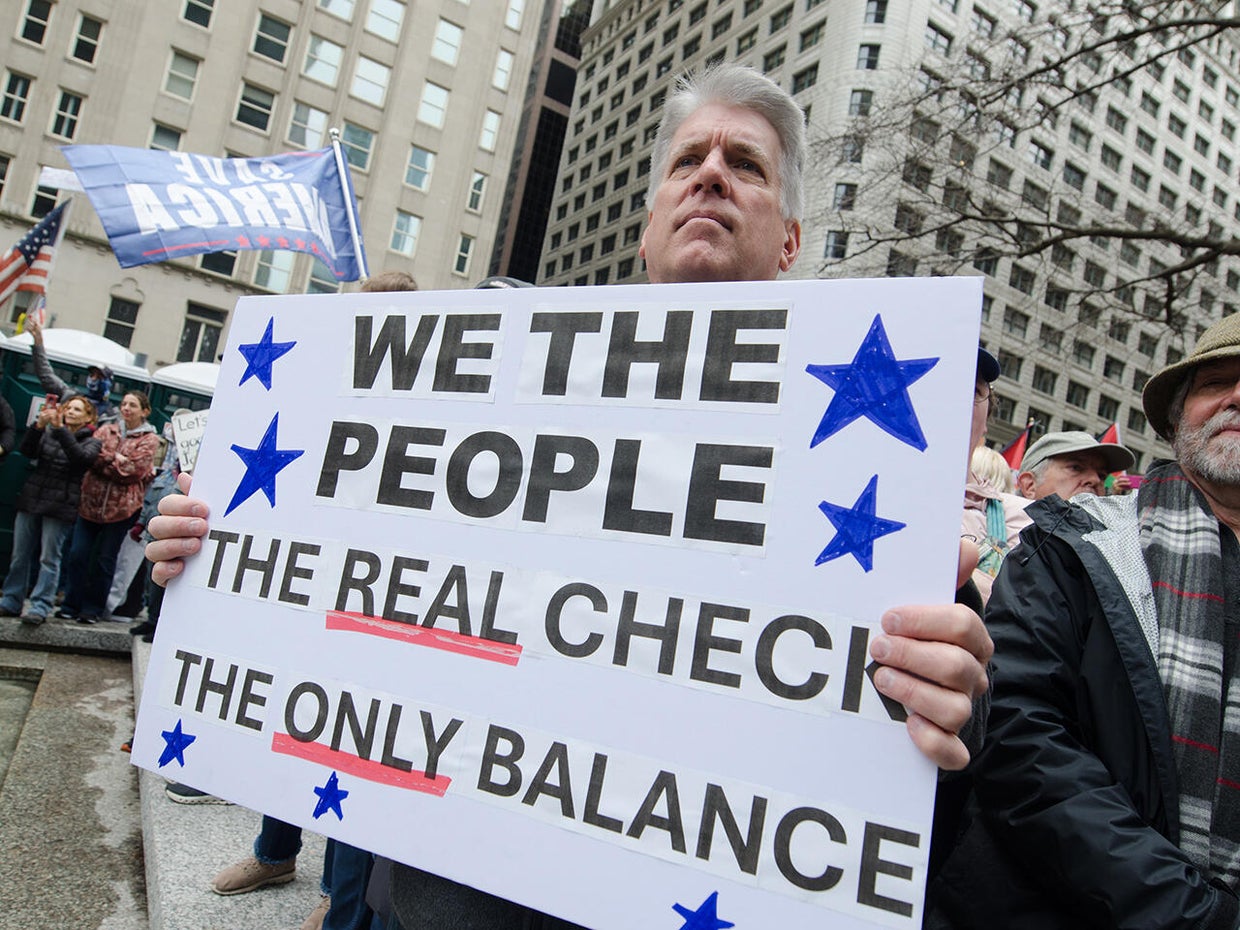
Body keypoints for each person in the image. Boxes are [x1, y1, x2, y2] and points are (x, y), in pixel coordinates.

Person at [148, 64, 992, 929]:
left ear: (789, 241)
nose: (711, 173)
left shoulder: (869, 483)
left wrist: (950, 704)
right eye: (688, 159)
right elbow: (344, 596)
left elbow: (907, 807)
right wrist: (212, 561)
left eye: (747, 164)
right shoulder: (490, 397)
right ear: (649, 225)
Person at [931, 311, 1240, 928]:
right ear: (1180, 418)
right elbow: (1021, 738)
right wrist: (1192, 915)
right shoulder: (1069, 548)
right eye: (1217, 382)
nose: (1237, 396)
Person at [57, 390, 159, 623]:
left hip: (121, 510)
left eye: (132, 405)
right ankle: (70, 604)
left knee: (105, 560)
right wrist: (116, 460)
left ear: (144, 411)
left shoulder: (149, 439)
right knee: (77, 555)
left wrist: (108, 462)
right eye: (123, 404)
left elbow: (133, 472)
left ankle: (93, 609)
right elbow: (90, 457)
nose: (126, 408)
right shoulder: (106, 429)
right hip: (90, 505)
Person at [0, 395, 100, 624]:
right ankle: (11, 600)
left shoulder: (92, 442)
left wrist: (60, 430)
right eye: (69, 408)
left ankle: (40, 606)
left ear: (88, 417)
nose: (71, 412)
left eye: (77, 410)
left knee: (49, 558)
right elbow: (26, 451)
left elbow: (80, 459)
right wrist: (38, 426)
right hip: (33, 497)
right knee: (19, 555)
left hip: (60, 504)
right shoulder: (49, 431)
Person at [26, 316, 117, 422]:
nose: (94, 379)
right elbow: (46, 375)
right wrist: (38, 343)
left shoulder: (110, 415)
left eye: (99, 376)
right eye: (92, 375)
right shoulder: (71, 396)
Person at [1014, 429, 1136, 501]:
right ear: (1029, 485)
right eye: (1076, 468)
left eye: (1102, 476)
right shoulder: (998, 540)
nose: (1095, 480)